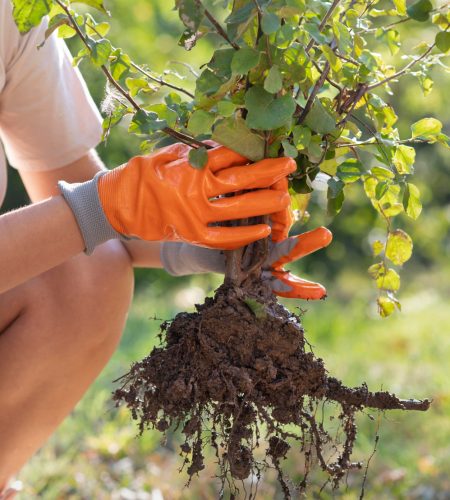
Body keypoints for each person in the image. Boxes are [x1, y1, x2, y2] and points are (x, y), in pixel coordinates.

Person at [0, 1, 331, 496]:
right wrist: (112, 203)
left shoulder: (14, 16)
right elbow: (97, 209)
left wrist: (197, 236)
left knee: (90, 273)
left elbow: (78, 210)